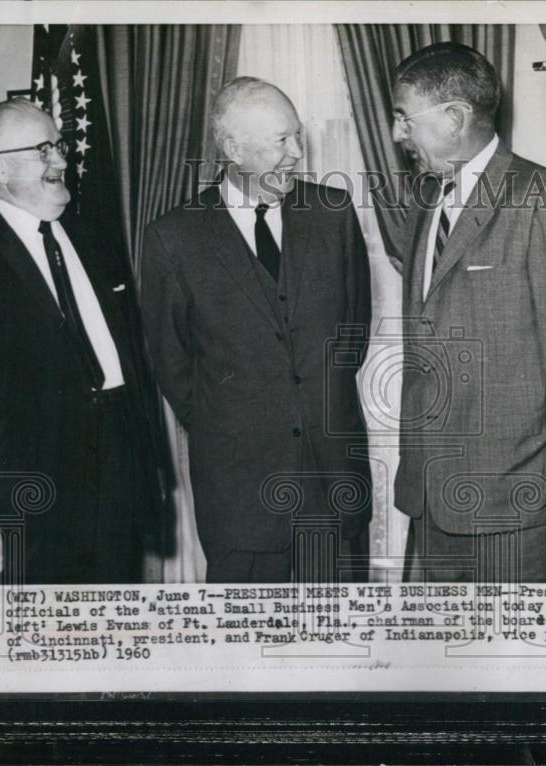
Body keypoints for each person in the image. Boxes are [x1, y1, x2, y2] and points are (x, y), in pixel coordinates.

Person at [390, 42, 546, 583]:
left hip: (520, 506)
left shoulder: (545, 200)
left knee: (521, 663)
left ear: (455, 117)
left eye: (402, 118)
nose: (397, 135)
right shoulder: (428, 204)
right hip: (434, 502)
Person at [0, 98, 166, 584]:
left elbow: (129, 364)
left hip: (116, 489)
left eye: (58, 146)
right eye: (43, 150)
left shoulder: (95, 238)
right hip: (24, 506)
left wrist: (149, 475)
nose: (61, 161)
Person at [141, 77, 372, 584]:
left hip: (332, 479)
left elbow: (353, 332)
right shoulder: (173, 238)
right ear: (232, 148)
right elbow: (172, 364)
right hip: (240, 492)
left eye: (297, 137)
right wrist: (237, 420)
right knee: (243, 644)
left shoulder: (333, 214)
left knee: (345, 644)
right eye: (280, 141)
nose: (295, 153)